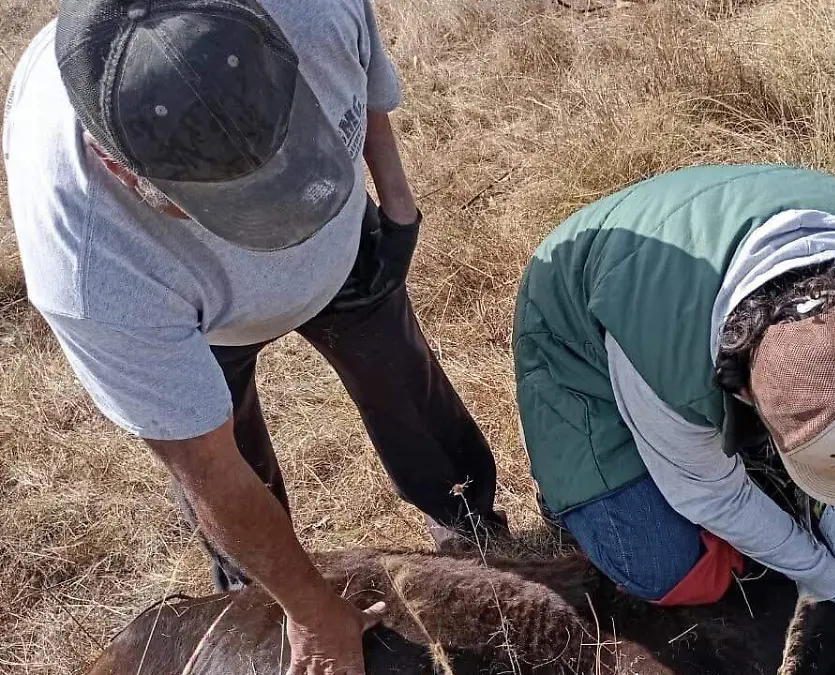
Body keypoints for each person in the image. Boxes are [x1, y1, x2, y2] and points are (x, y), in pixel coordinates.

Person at [3, 1, 506, 673]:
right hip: (203, 323)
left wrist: (397, 204)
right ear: (120, 170)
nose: (283, 226)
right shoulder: (88, 264)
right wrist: (312, 611)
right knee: (235, 455)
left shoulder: (311, 11)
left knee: (405, 384)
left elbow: (364, 87)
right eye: (234, 204)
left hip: (350, 255)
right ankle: (256, 609)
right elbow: (208, 467)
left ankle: (466, 517)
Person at [512, 164, 835, 664]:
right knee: (660, 565)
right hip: (578, 331)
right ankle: (569, 489)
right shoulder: (663, 348)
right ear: (748, 395)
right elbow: (711, 496)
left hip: (705, 230)